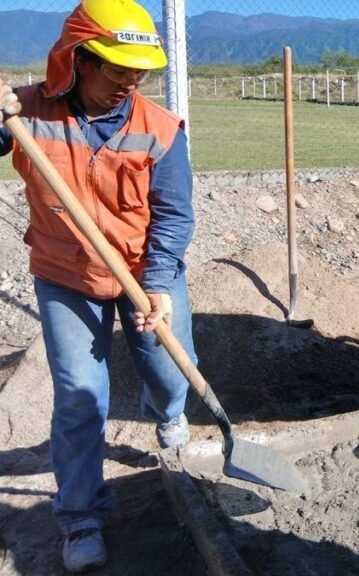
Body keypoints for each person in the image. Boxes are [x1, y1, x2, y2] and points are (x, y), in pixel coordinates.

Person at [0, 0, 197, 572]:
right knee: (80, 396)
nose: (130, 83)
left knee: (166, 369)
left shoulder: (158, 129)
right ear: (80, 60)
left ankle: (169, 415)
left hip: (144, 271)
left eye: (139, 73)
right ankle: (81, 517)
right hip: (66, 276)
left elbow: (175, 215)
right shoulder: (27, 112)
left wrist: (158, 283)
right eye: (118, 70)